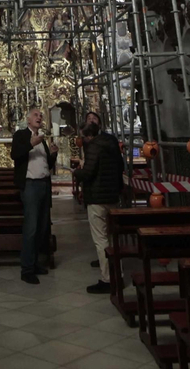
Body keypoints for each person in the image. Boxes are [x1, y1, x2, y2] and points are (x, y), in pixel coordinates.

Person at [76, 110, 125, 293]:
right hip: (112, 194)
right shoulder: (111, 141)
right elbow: (119, 166)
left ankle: (109, 279)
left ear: (88, 135)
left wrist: (77, 173)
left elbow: (88, 172)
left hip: (97, 197)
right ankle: (117, 273)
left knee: (101, 239)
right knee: (112, 237)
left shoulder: (94, 146)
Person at [11, 108, 57, 283]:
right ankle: (27, 269)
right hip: (30, 185)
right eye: (36, 115)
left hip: (44, 184)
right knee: (31, 228)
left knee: (42, 227)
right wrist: (31, 143)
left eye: (41, 115)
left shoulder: (42, 138)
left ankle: (36, 262)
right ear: (28, 119)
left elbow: (46, 163)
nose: (40, 117)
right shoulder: (21, 135)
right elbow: (15, 155)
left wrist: (53, 154)